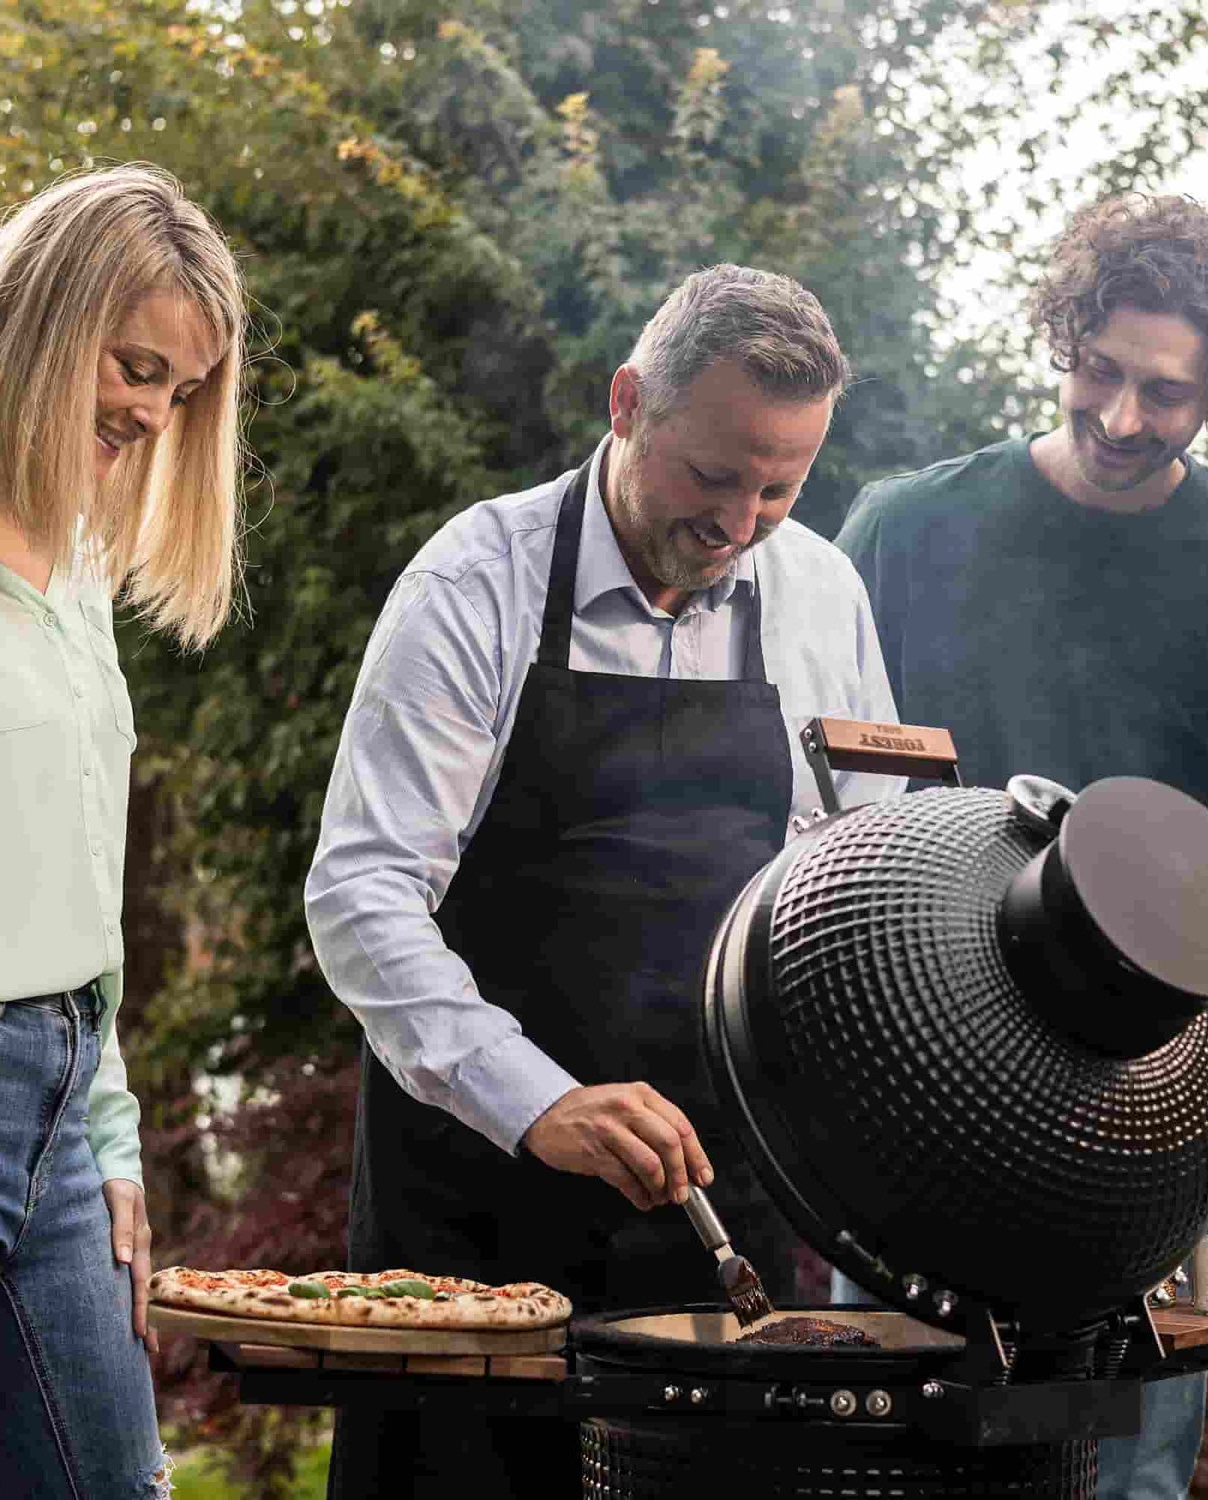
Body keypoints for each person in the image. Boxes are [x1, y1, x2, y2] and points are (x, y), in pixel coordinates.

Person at [305, 263, 901, 1497]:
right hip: (474, 1195)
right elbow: (363, 894)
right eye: (713, 476)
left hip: (720, 1208)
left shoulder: (820, 592)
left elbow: (858, 884)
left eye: (780, 489)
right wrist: (535, 1101)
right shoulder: (477, 582)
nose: (740, 525)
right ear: (628, 402)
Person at [836, 195, 1208, 1499]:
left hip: (1142, 1114)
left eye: (1164, 394)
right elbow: (821, 819)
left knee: (1116, 1473)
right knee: (879, 1460)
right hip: (908, 1089)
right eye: (1098, 371)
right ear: (1064, 335)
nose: (1119, 417)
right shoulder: (900, 527)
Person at [0, 165, 247, 1499]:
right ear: (39, 315)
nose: (152, 414)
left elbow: (81, 881)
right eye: (137, 365)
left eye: (181, 392)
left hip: (52, 1100)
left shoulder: (80, 566)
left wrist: (106, 1141)